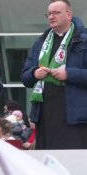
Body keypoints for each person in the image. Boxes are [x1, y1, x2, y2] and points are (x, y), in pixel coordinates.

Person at [21, 0, 87, 149]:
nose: (51, 16)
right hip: (45, 115)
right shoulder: (41, 42)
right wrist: (34, 73)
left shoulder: (83, 40)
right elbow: (25, 76)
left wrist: (69, 74)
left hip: (75, 117)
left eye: (56, 12)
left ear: (69, 14)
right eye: (49, 14)